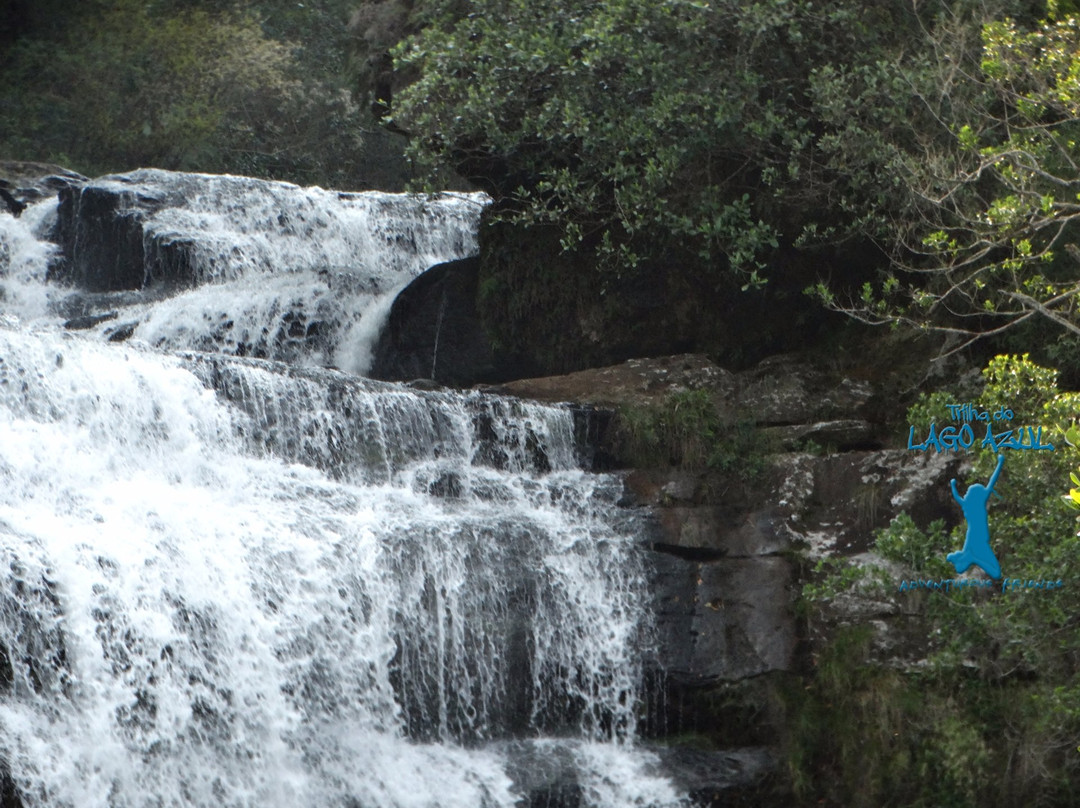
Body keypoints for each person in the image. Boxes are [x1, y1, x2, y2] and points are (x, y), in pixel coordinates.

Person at [947, 453, 1005, 579]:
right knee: (996, 573)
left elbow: (957, 497)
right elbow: (992, 481)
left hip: (971, 537)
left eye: (968, 492)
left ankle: (961, 556)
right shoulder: (979, 502)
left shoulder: (967, 505)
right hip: (980, 538)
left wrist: (953, 486)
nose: (966, 493)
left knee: (960, 567)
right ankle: (974, 559)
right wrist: (1000, 464)